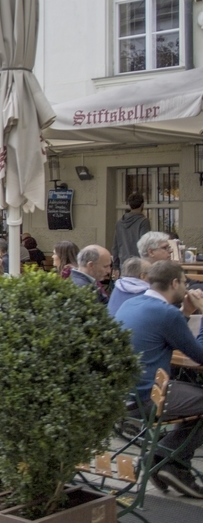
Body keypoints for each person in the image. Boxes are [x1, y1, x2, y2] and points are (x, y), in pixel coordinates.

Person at [115, 260, 203, 497]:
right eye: (184, 282)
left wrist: (185, 312)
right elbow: (200, 355)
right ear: (174, 283)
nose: (186, 288)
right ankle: (167, 461)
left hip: (123, 396)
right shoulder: (166, 313)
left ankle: (166, 461)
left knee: (191, 395)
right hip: (147, 398)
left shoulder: (131, 303)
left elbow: (167, 331)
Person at [113, 193, 151, 269]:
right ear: (142, 205)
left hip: (123, 262)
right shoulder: (143, 221)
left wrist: (115, 265)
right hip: (139, 262)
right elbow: (145, 244)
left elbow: (115, 246)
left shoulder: (120, 222)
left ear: (129, 205)